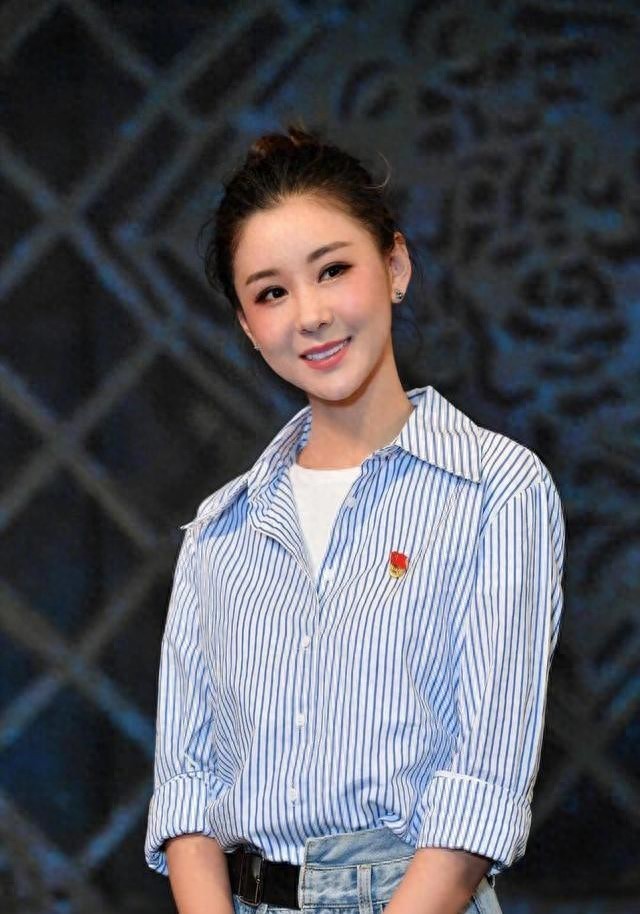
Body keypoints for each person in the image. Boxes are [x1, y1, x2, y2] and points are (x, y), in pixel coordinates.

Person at [144, 124, 566, 914]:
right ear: (247, 326)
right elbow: (187, 787)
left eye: (333, 270)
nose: (310, 314)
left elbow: (482, 784)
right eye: (271, 292)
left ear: (395, 266)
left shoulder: (496, 491)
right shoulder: (220, 530)